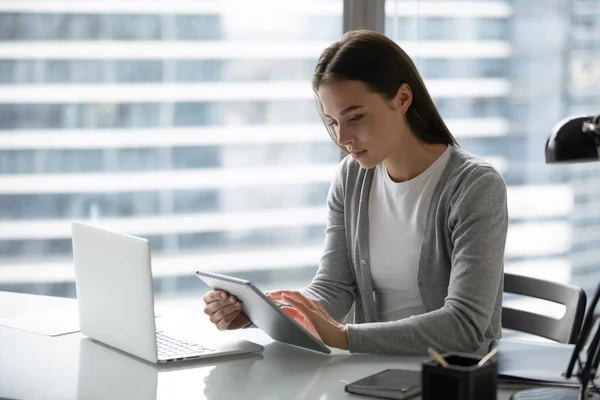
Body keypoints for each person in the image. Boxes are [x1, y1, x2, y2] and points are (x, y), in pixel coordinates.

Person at [203, 29, 508, 355]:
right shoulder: (351, 178)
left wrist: (343, 336)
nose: (342, 137)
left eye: (356, 117)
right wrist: (256, 313)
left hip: (452, 377)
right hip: (374, 372)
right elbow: (334, 287)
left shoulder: (475, 186)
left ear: (402, 99)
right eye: (332, 122)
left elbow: (465, 325)